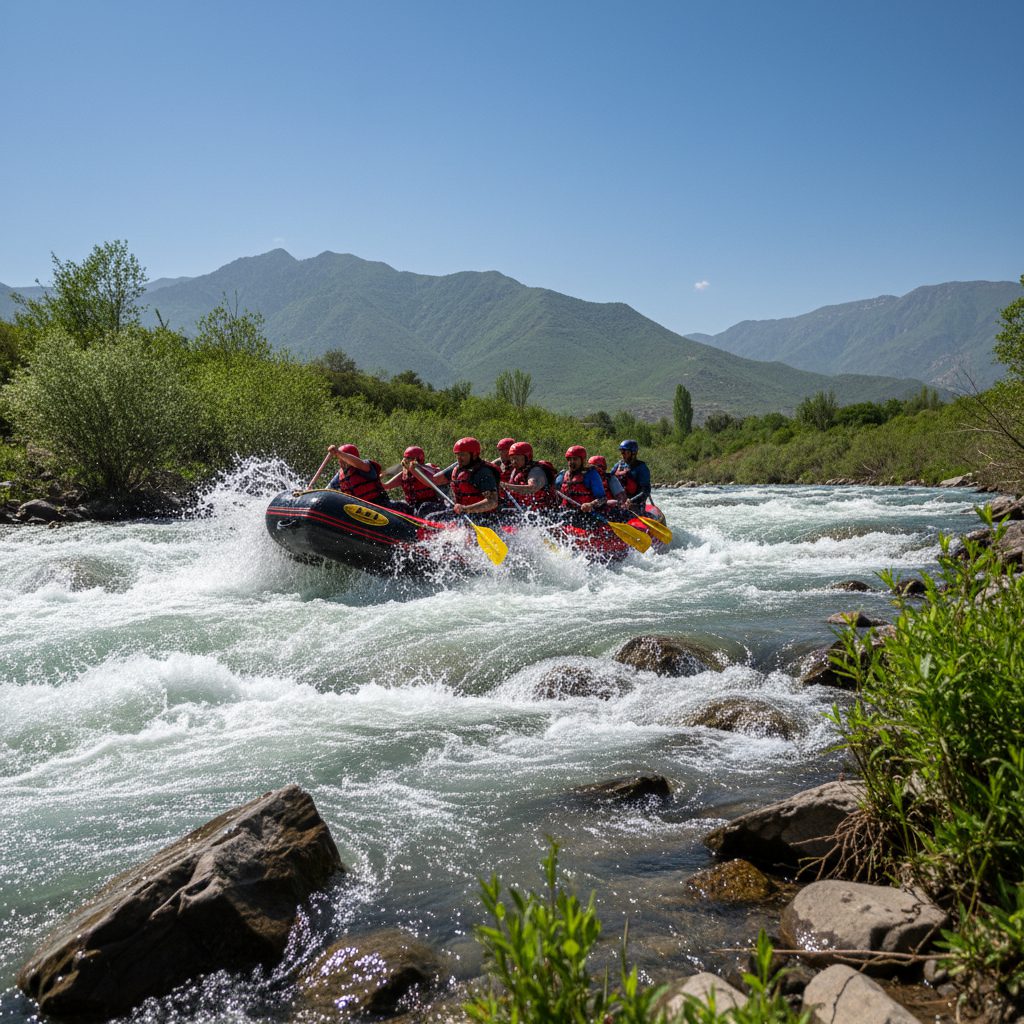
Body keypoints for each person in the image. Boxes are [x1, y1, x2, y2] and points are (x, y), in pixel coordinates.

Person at [430, 437, 500, 518]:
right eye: (457, 455)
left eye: (462, 455)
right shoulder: (458, 469)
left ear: (474, 455)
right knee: (430, 517)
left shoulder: (483, 472)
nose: (458, 458)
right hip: (463, 514)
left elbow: (492, 502)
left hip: (484, 517)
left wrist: (465, 509)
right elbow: (436, 480)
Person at [381, 446, 444, 517]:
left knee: (423, 507)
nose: (404, 460)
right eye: (404, 458)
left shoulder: (427, 470)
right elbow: (386, 486)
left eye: (408, 458)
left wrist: (413, 470)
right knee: (396, 505)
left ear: (417, 460)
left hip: (431, 505)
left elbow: (432, 483)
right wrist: (376, 477)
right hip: (412, 506)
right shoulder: (404, 474)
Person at [326, 443, 391, 506]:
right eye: (339, 459)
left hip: (380, 504)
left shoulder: (365, 465)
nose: (340, 461)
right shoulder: (340, 475)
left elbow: (357, 463)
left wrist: (339, 453)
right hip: (357, 509)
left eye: (342, 459)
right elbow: (327, 490)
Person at [502, 441, 556, 510]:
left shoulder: (536, 471)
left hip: (545, 511)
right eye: (512, 459)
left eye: (516, 458)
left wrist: (506, 486)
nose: (513, 462)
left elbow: (532, 488)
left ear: (527, 457)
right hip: (528, 509)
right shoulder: (518, 472)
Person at [554, 445, 606, 512]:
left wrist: (590, 504)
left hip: (585, 515)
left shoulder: (591, 474)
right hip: (565, 513)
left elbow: (603, 499)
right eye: (569, 459)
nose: (572, 462)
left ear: (582, 460)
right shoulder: (563, 475)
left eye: (575, 459)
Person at [610, 439, 652, 513]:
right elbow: (609, 479)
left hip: (635, 503)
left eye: (626, 452)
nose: (623, 454)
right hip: (619, 501)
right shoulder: (619, 465)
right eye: (622, 452)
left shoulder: (641, 467)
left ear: (633, 453)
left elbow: (646, 490)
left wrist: (632, 500)